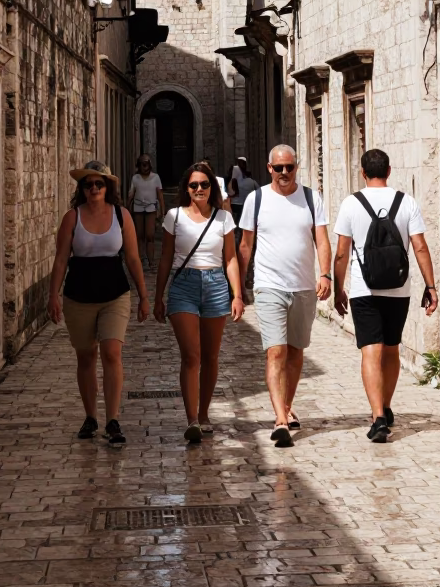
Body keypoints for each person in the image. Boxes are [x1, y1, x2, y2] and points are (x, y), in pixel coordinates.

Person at [333, 148, 438, 443]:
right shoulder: (407, 203)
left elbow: (342, 252)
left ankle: (378, 415)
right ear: (389, 171)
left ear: (363, 172)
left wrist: (339, 287)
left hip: (363, 288)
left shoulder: (351, 204)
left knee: (370, 350)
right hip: (398, 288)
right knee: (391, 348)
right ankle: (388, 406)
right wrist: (431, 286)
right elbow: (419, 247)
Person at [47, 160, 149, 445]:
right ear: (82, 188)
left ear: (107, 188)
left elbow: (132, 258)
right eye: (88, 184)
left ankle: (112, 419)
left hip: (115, 294)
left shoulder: (121, 216)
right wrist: (53, 295)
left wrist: (143, 295)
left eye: (99, 184)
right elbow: (60, 260)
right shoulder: (72, 218)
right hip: (78, 296)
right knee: (86, 357)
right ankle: (91, 416)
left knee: (112, 353)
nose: (93, 188)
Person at [238, 144, 331, 447]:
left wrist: (326, 273)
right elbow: (245, 245)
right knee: (275, 351)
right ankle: (280, 419)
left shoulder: (310, 198)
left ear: (296, 167)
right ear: (269, 168)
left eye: (289, 167)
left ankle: (287, 407)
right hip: (269, 285)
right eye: (278, 168)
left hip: (304, 287)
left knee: (295, 351)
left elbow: (322, 240)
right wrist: (239, 286)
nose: (284, 173)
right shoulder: (257, 198)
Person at [153, 160, 244, 443]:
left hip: (216, 285)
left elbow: (230, 258)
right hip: (184, 287)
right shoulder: (174, 217)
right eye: (194, 185)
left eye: (205, 184)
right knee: (191, 355)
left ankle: (204, 414)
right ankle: (191, 418)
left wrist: (237, 294)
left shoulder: (223, 219)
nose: (199, 189)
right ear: (186, 189)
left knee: (211, 356)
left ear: (212, 188)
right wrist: (158, 296)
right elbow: (166, 258)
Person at [127, 155, 164, 268]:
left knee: (150, 235)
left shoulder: (155, 177)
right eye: (142, 164)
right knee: (139, 235)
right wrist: (127, 208)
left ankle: (151, 260)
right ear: (139, 165)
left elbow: (160, 195)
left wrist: (162, 210)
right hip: (138, 208)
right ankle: (141, 259)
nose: (145, 166)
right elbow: (131, 194)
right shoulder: (136, 178)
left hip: (150, 208)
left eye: (146, 163)